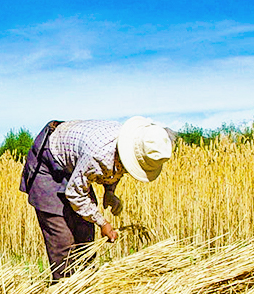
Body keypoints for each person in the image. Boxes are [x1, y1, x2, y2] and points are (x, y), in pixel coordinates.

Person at [19, 116, 172, 281]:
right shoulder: (98, 154)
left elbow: (118, 167)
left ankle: (88, 287)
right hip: (47, 164)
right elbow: (75, 193)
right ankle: (62, 291)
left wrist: (110, 192)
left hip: (73, 164)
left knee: (85, 237)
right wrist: (102, 222)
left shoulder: (127, 145)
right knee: (63, 241)